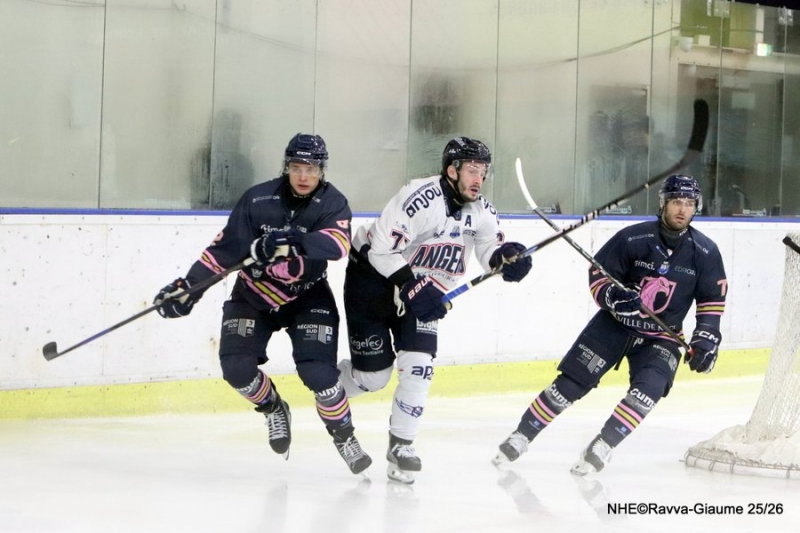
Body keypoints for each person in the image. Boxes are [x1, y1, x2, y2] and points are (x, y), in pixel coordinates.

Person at [153, 133, 372, 476]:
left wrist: (291, 241)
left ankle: (344, 436)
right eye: (296, 167)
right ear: (286, 167)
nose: (303, 176)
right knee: (236, 370)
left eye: (311, 168)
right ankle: (272, 408)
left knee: (319, 374)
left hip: (307, 294)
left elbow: (336, 245)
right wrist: (189, 288)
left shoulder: (333, 202)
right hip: (253, 294)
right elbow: (223, 252)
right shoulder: (257, 200)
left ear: (322, 170)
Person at [493, 174, 727, 475]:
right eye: (676, 202)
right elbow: (598, 276)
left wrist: (706, 339)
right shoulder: (634, 238)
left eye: (689, 203)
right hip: (616, 324)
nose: (682, 209)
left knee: (648, 391)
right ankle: (522, 435)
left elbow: (711, 301)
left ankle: (604, 444)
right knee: (570, 385)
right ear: (663, 204)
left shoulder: (705, 252)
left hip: (662, 337)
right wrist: (614, 297)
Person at [338, 137, 533, 484]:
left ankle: (401, 447)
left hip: (421, 290)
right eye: (472, 170)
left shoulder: (482, 211)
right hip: (373, 279)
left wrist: (505, 259)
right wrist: (411, 285)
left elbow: (490, 249)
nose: (478, 179)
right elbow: (380, 250)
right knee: (373, 378)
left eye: (483, 172)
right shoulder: (420, 198)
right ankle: (329, 385)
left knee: (420, 367)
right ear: (451, 169)